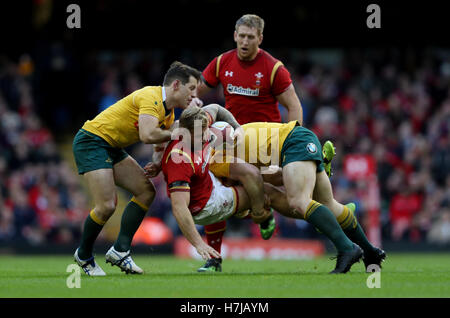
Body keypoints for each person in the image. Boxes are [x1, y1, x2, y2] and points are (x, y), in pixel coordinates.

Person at [192, 14, 309, 271]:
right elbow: (196, 92)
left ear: (260, 38)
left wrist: (294, 142)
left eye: (250, 37)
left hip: (265, 144)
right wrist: (188, 108)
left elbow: (294, 105)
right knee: (215, 190)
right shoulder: (222, 61)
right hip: (233, 142)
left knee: (274, 193)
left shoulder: (274, 68)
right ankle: (214, 258)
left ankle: (324, 215)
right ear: (235, 35)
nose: (244, 41)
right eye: (241, 36)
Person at [72, 61, 202, 276]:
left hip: (112, 147)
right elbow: (147, 135)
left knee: (146, 191)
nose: (193, 95)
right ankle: (84, 254)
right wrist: (180, 133)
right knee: (107, 206)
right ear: (176, 85)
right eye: (191, 89)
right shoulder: (150, 97)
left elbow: (158, 145)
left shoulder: (168, 114)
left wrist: (158, 165)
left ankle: (120, 251)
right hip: (92, 141)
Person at [209, 120, 386, 273]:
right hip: (303, 140)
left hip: (294, 144)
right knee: (328, 205)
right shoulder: (236, 146)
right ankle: (371, 252)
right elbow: (275, 176)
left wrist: (258, 212)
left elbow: (251, 177)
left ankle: (347, 248)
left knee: (299, 201)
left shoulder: (215, 160)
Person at [159, 106, 273, 262]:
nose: (206, 137)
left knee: (260, 176)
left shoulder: (198, 123)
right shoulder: (180, 158)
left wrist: (236, 127)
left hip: (207, 179)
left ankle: (249, 212)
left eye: (205, 131)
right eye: (200, 135)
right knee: (266, 191)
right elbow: (179, 208)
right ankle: (262, 216)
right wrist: (199, 244)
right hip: (204, 205)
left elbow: (216, 109)